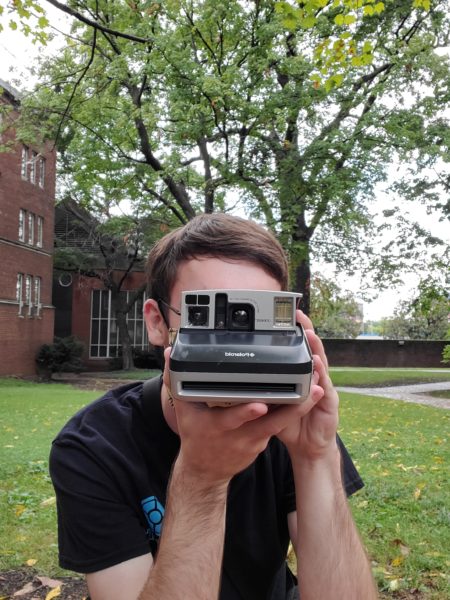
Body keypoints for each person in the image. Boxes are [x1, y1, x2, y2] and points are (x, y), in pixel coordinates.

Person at [50, 213, 378, 600]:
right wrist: (201, 477)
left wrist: (315, 456)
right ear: (157, 322)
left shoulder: (291, 425)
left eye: (256, 315)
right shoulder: (94, 446)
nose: (235, 337)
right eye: (205, 313)